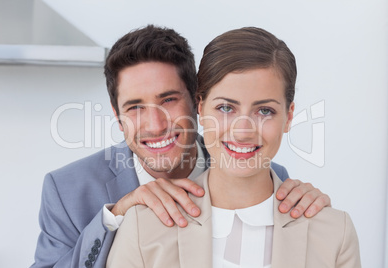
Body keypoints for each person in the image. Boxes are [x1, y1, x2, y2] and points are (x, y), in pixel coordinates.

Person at [31, 25, 332, 268]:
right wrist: (117, 215)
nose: (156, 125)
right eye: (135, 107)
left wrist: (310, 209)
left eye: (168, 100)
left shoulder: (259, 169)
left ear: (197, 102)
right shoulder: (66, 191)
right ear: (117, 116)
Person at [106, 27, 361, 267]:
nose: (242, 131)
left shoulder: (334, 232)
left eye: (265, 110)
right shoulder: (143, 227)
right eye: (226, 108)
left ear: (289, 116)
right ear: (200, 108)